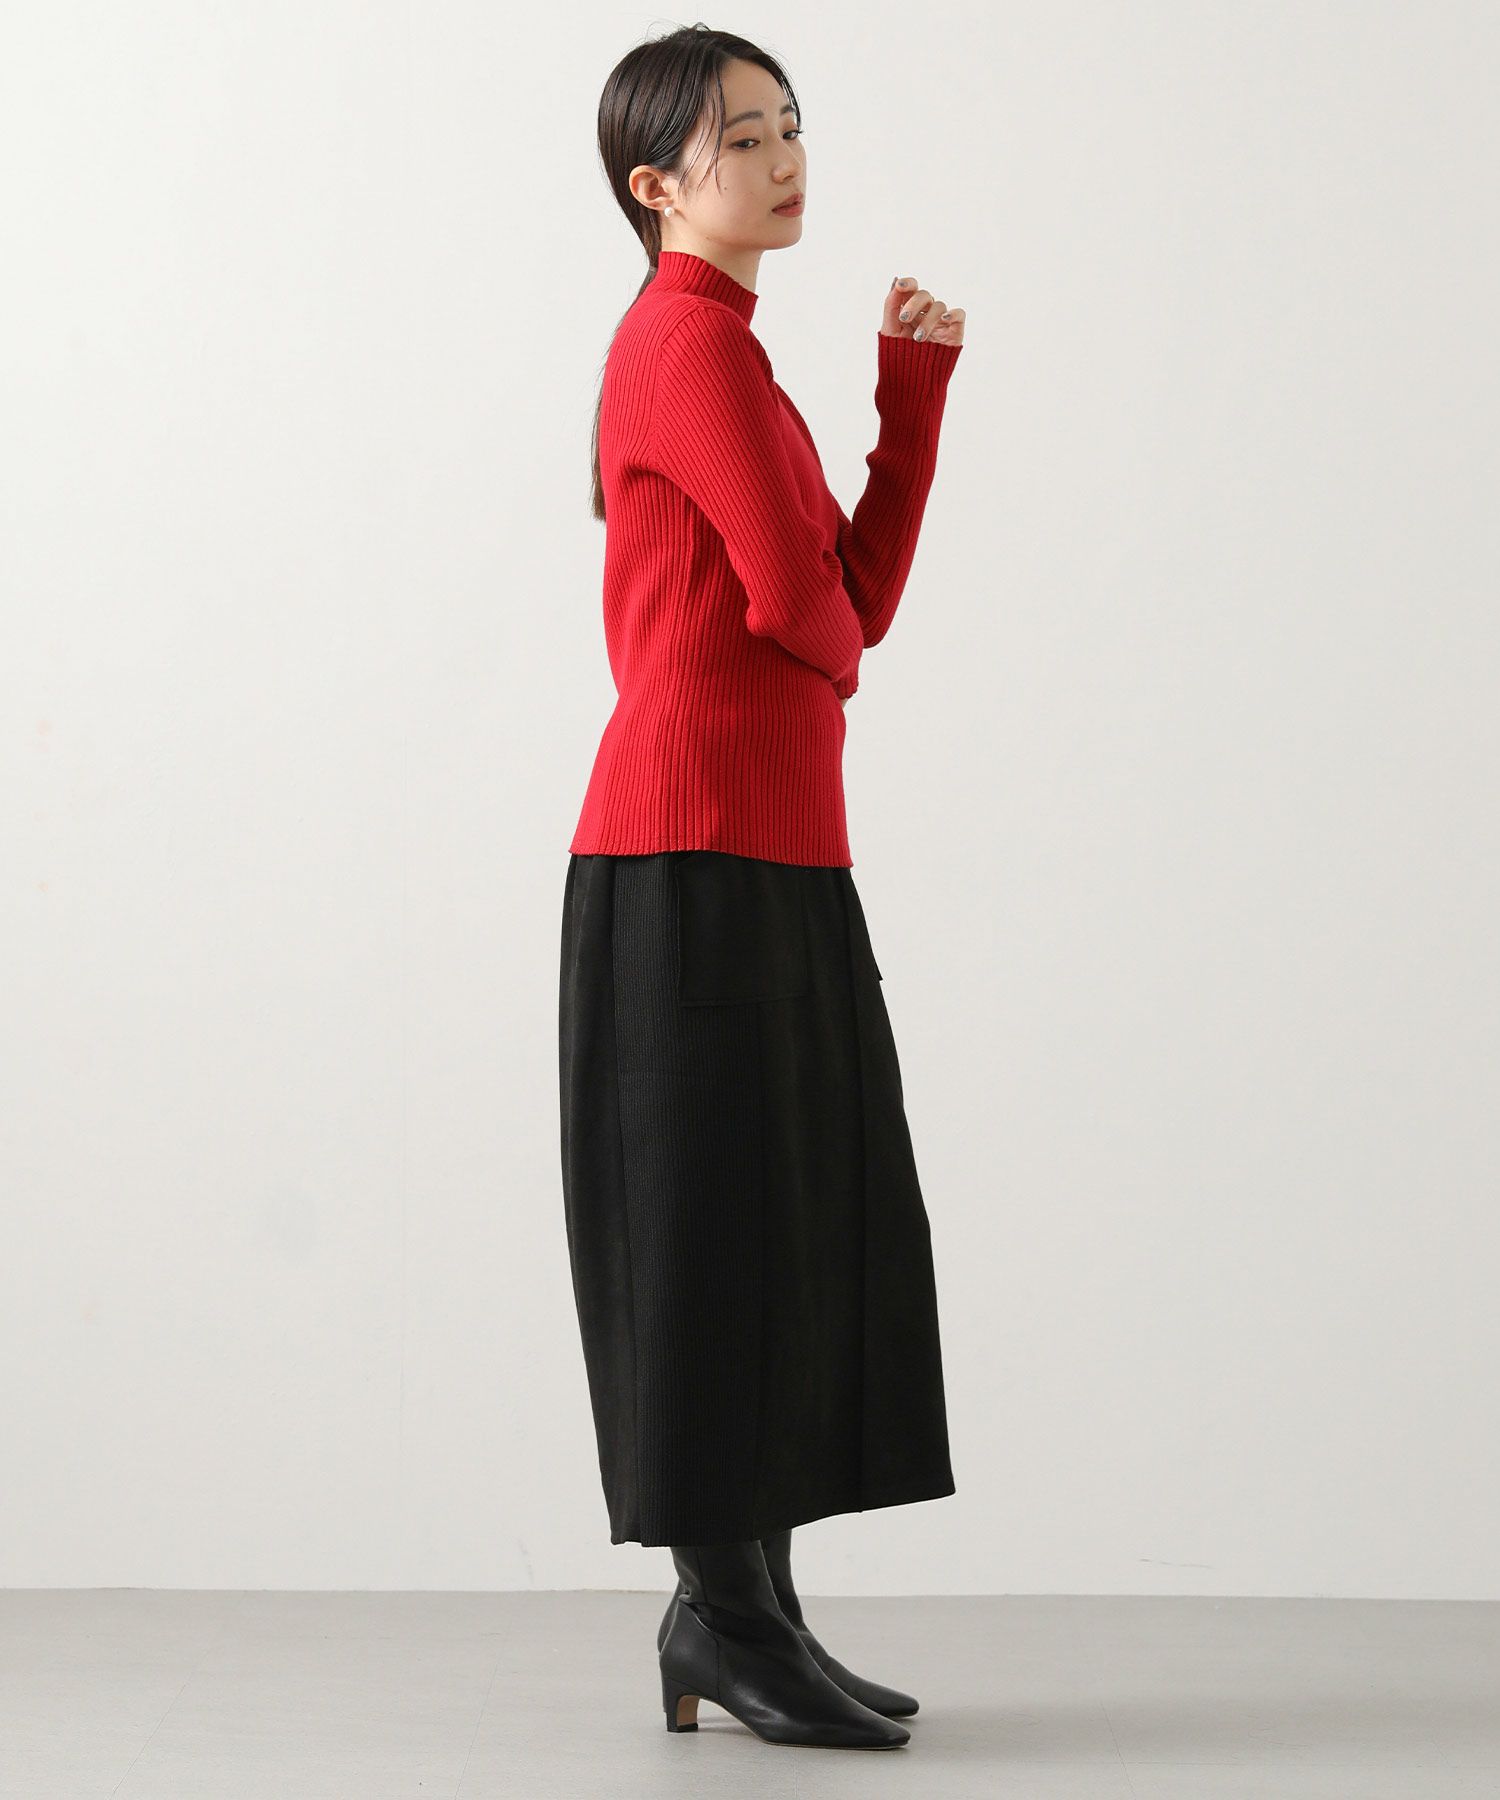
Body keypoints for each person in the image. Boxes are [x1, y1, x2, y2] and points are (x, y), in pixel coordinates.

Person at [558, 24, 967, 1751]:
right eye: (742, 138)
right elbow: (811, 617)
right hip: (685, 854)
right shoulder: (682, 348)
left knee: (785, 1235)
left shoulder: (740, 359)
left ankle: (754, 1616)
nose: (784, 158)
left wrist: (909, 400)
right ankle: (724, 1618)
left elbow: (848, 604)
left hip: (776, 852)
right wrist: (828, 638)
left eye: (790, 125)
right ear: (656, 185)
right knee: (715, 1246)